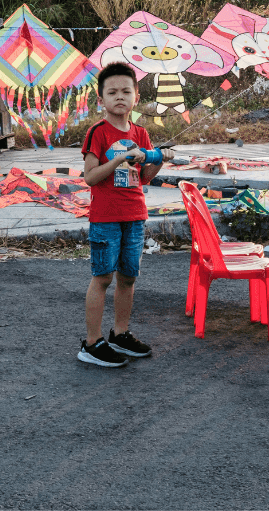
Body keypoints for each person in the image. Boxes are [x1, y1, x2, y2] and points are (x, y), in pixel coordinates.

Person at [78, 62, 171, 367]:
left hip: (134, 215)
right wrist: (118, 158)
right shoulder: (98, 133)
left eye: (126, 91)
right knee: (103, 277)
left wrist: (160, 160)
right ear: (101, 99)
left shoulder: (141, 133)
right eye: (112, 92)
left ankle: (120, 334)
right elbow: (90, 177)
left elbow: (143, 178)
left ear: (136, 96)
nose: (120, 97)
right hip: (105, 217)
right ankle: (91, 344)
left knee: (128, 278)